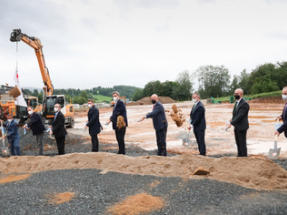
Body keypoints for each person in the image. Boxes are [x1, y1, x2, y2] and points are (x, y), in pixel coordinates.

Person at [227, 88, 249, 157]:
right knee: (238, 142)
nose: (235, 95)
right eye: (235, 94)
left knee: (242, 143)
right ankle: (239, 155)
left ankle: (244, 157)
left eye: (237, 94)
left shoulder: (244, 104)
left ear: (241, 94)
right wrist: (232, 119)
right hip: (237, 126)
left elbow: (240, 115)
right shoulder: (237, 103)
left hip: (242, 126)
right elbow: (236, 114)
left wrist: (231, 122)